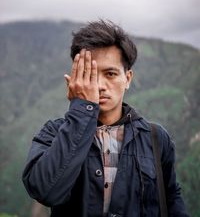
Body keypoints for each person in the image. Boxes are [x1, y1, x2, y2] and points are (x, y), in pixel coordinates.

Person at [22, 19, 189, 217]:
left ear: (127, 79)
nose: (99, 85)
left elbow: (171, 198)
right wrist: (83, 109)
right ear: (76, 78)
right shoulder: (53, 133)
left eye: (110, 73)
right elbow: (45, 191)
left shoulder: (155, 138)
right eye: (90, 75)